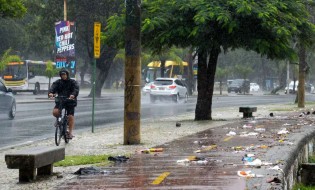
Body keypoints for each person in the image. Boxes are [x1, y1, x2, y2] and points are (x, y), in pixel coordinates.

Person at [48, 69, 79, 139]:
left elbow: (76, 89)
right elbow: (53, 88)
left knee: (70, 116)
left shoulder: (72, 82)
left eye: (64, 74)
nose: (63, 76)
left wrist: (73, 95)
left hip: (70, 101)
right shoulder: (58, 82)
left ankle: (70, 133)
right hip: (61, 100)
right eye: (62, 75)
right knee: (55, 112)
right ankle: (59, 121)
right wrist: (50, 93)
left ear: (67, 75)